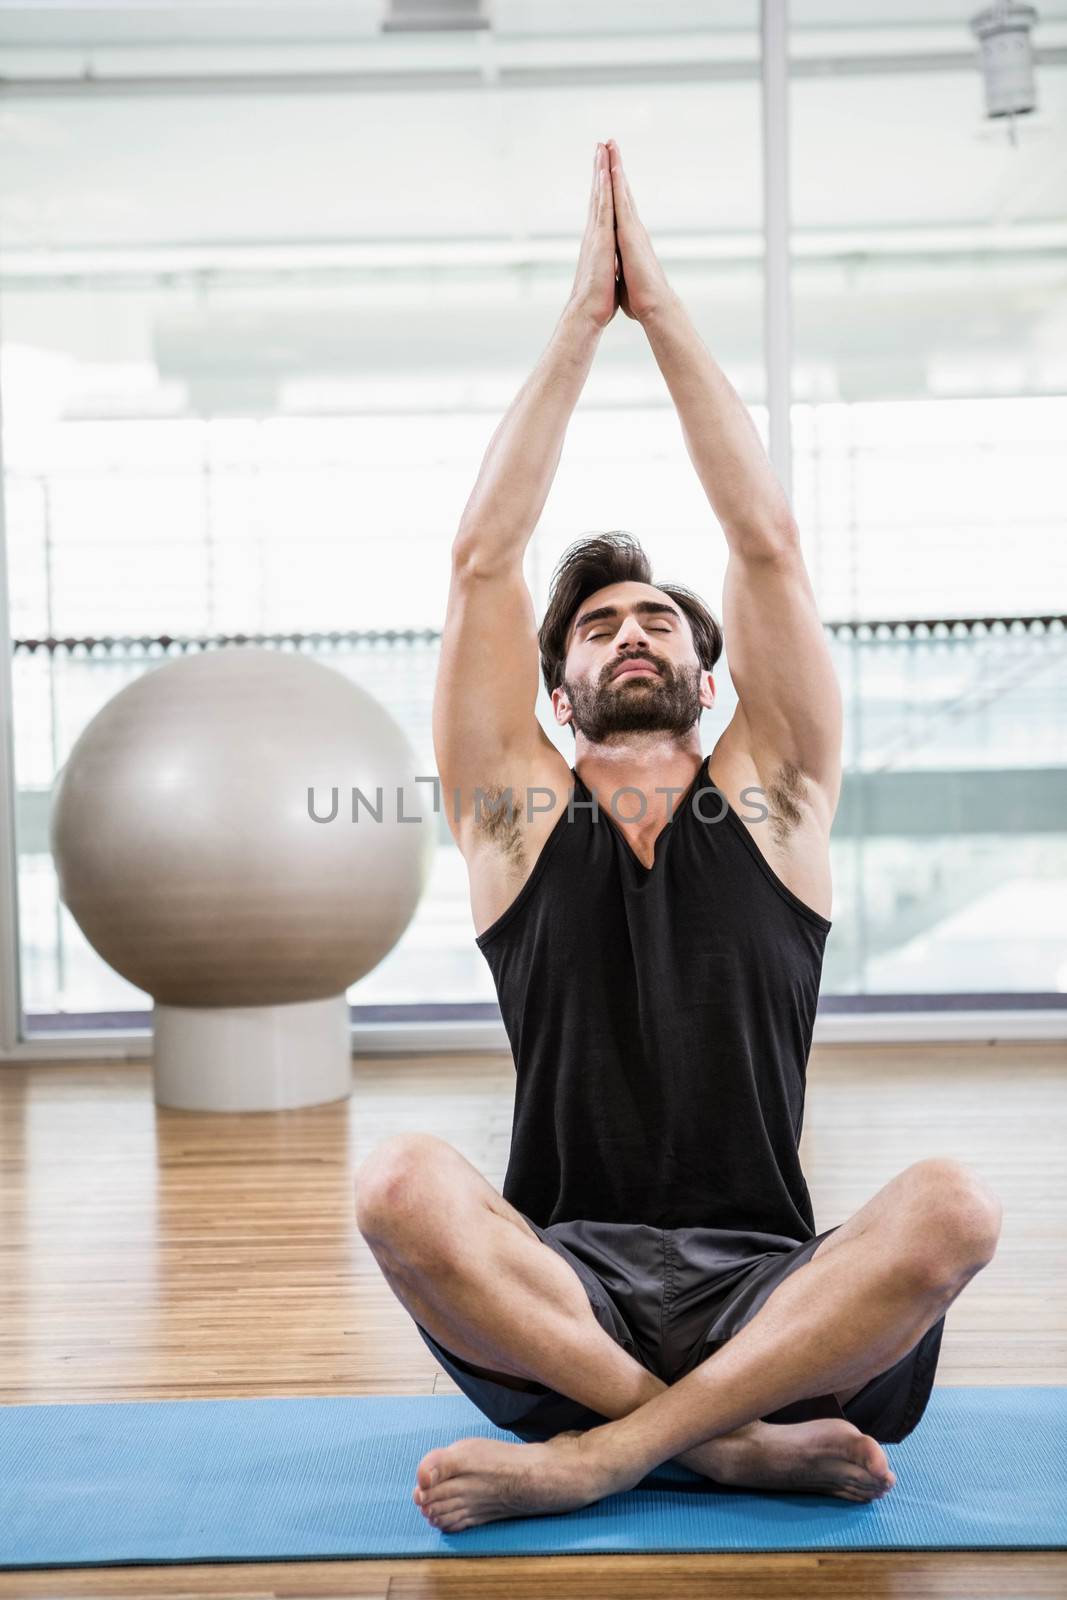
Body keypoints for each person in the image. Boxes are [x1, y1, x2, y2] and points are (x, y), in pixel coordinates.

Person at [355, 139, 1002, 1534]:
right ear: (558, 692)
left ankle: (603, 1456)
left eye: (659, 620)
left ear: (710, 682)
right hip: (562, 1296)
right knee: (400, 1184)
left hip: (780, 1296)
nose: (632, 631)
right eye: (599, 625)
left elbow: (763, 540)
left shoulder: (775, 796)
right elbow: (482, 557)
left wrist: (666, 315)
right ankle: (721, 1448)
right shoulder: (514, 813)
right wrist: (581, 322)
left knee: (953, 1209)